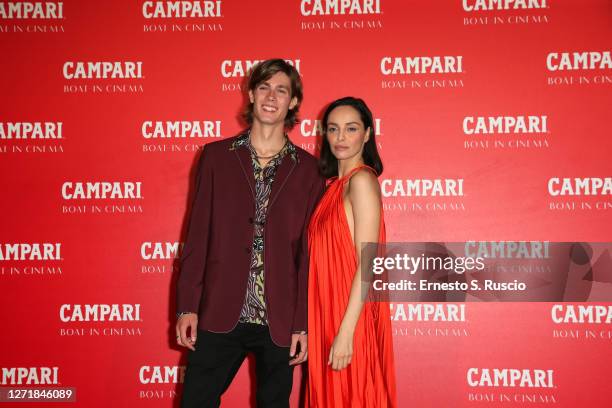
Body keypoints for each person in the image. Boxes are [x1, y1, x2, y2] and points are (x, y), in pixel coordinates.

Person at [175, 58, 325, 408]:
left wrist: (301, 324)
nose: (272, 96)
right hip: (218, 308)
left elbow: (307, 254)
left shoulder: (308, 171)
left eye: (281, 90)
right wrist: (187, 306)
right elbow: (197, 235)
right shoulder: (215, 157)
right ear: (251, 94)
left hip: (279, 315)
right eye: (264, 87)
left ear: (293, 102)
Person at [306, 97, 397, 407]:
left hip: (348, 317)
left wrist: (346, 332)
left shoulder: (362, 181)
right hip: (325, 315)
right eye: (333, 129)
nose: (341, 138)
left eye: (351, 128)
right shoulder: (332, 187)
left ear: (367, 134)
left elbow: (369, 261)